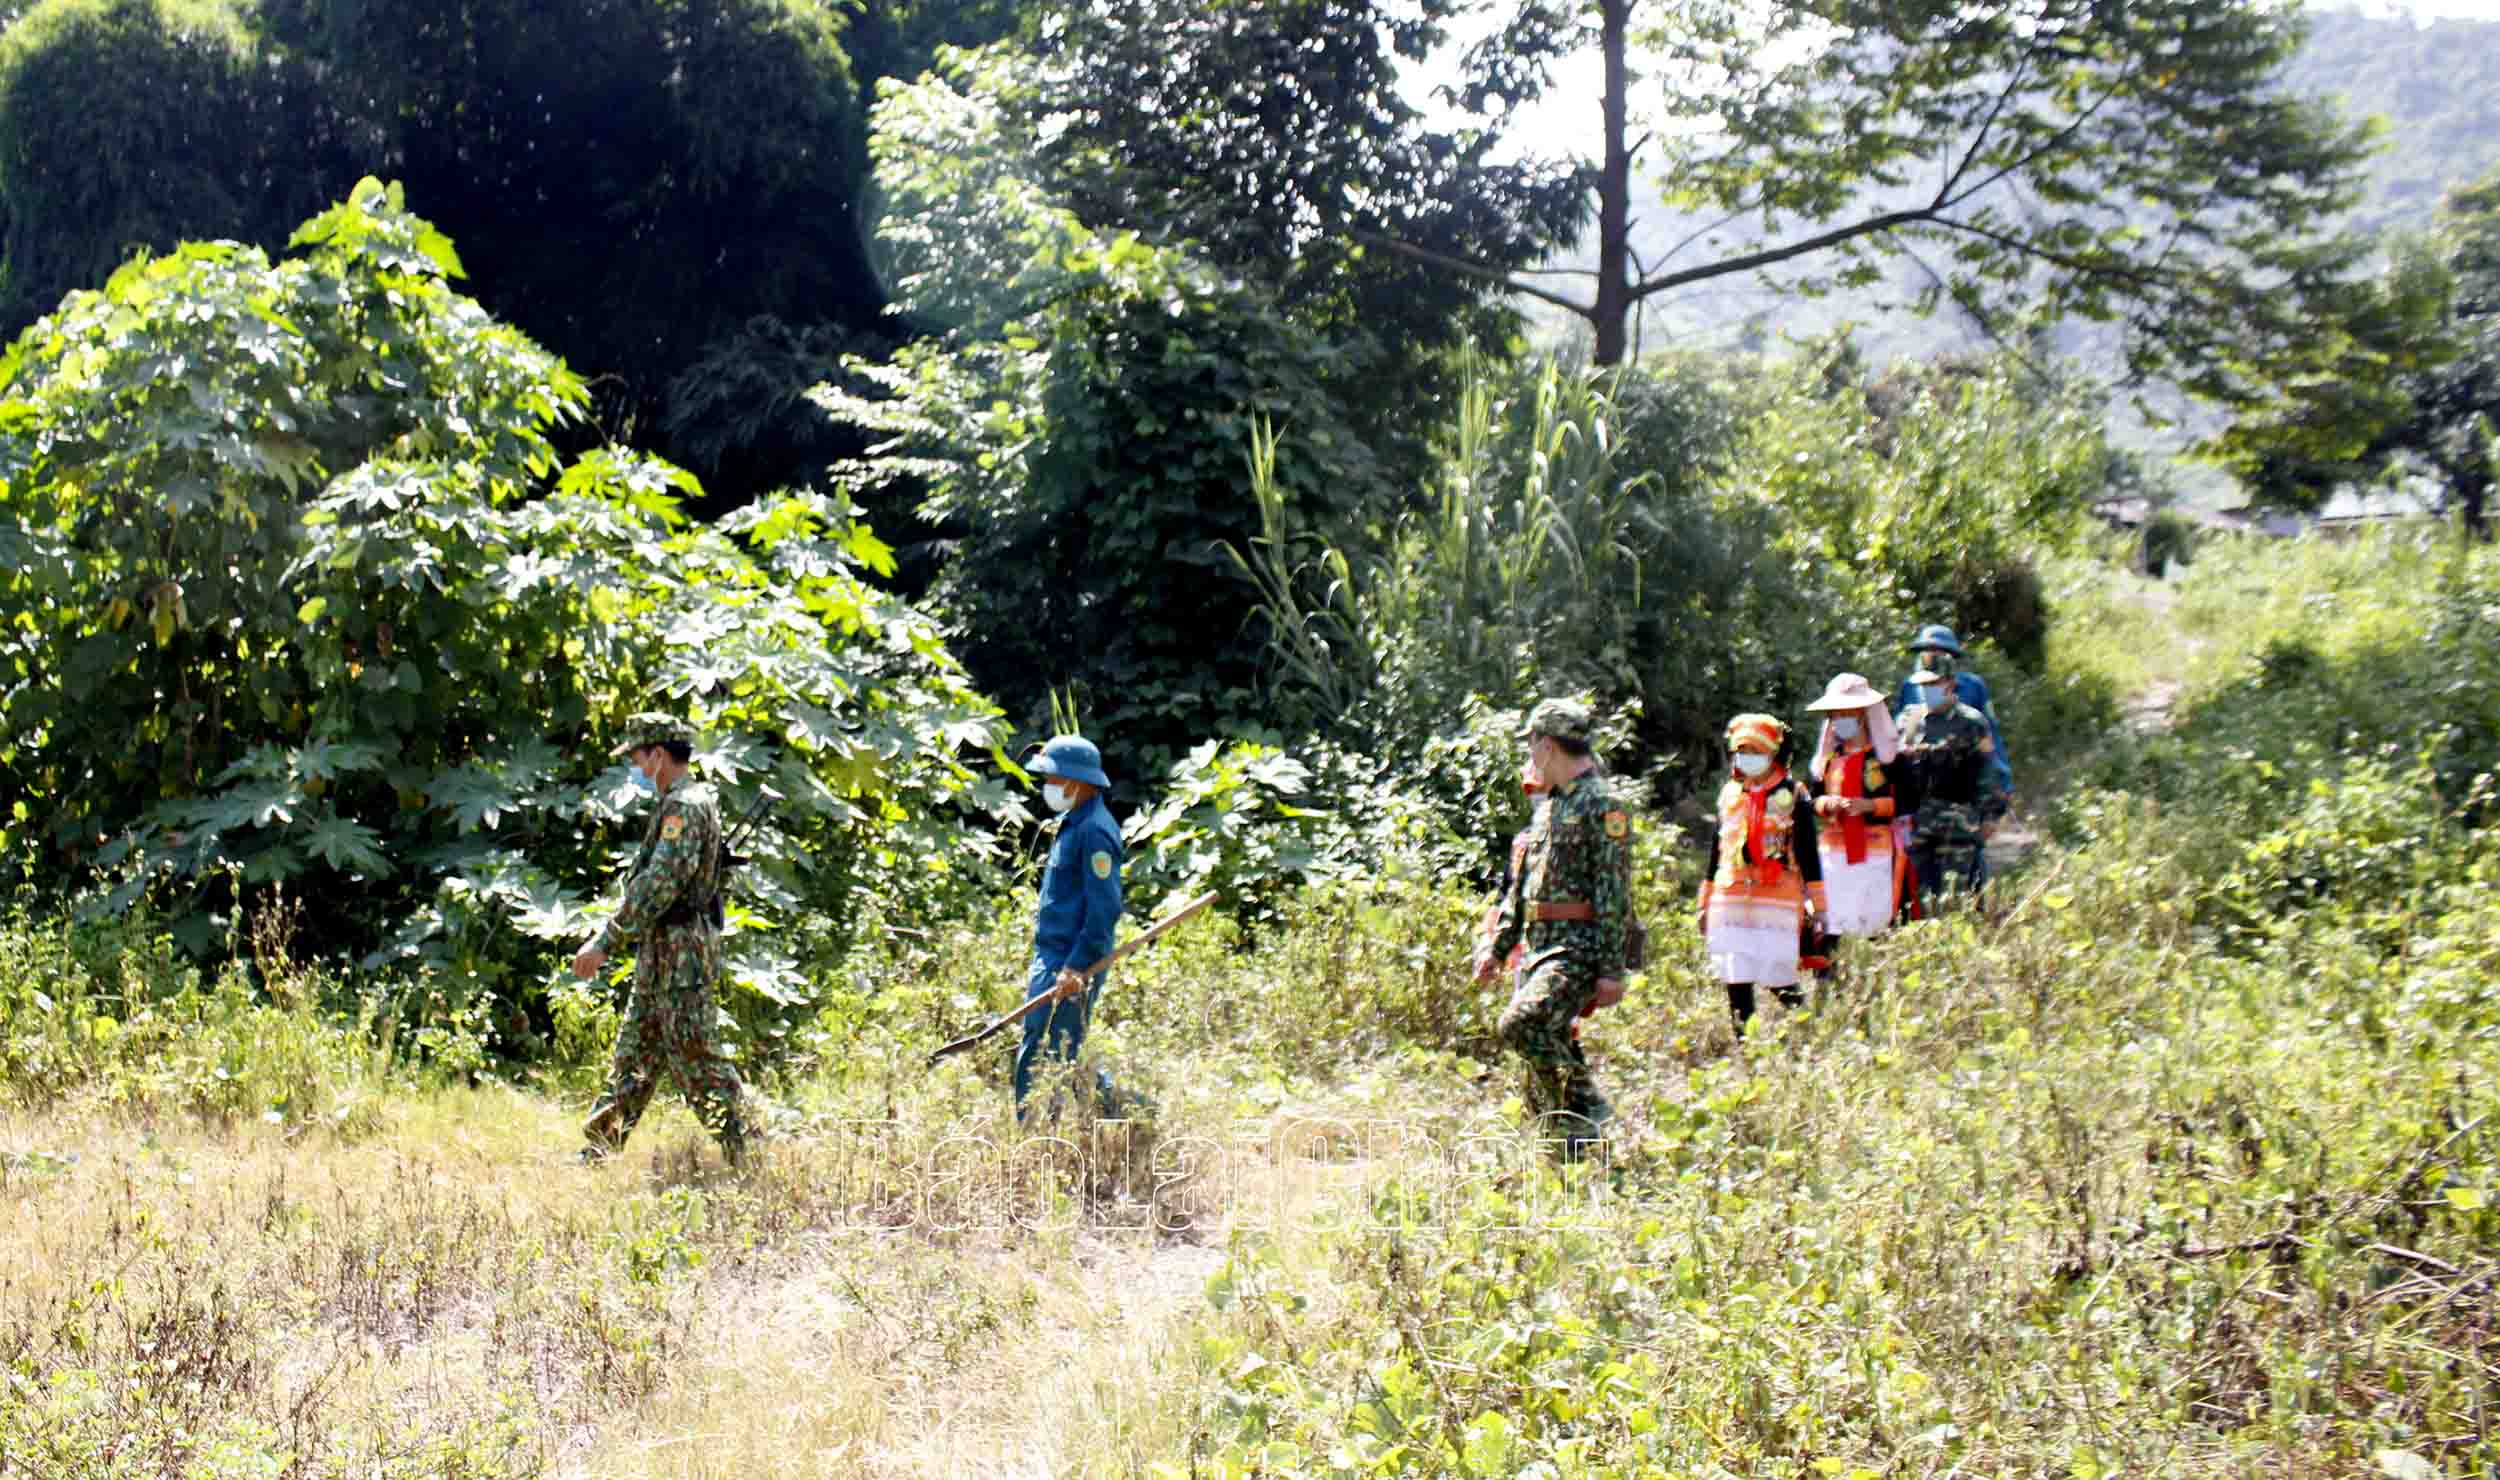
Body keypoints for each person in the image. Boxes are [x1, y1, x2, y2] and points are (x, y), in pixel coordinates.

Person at [572, 715, 749, 1165]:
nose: (634, 764)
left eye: (636, 755)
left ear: (657, 755)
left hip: (683, 954)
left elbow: (658, 885)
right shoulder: (681, 800)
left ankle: (750, 1148)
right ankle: (598, 1152)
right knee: (635, 1052)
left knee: (697, 1057)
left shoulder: (684, 806)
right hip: (663, 950)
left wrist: (604, 942)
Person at [1474, 699, 1631, 1156]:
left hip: (1577, 948)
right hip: (1540, 944)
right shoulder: (1549, 807)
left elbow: (1613, 893)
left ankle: (1588, 1108)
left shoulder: (1604, 804)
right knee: (1552, 1036)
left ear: (1546, 746)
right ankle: (1574, 1136)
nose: (1529, 754)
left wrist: (1611, 970)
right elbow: (1521, 892)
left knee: (1521, 1023)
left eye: (1531, 745)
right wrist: (1498, 947)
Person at [1015, 735, 1125, 1118]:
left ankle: (1032, 1136)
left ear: (1077, 782)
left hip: (1070, 958)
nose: (1048, 788)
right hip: (1053, 953)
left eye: (1053, 780)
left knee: (1050, 1047)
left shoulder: (1094, 831)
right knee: (1056, 1047)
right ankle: (1125, 1112)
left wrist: (1076, 966)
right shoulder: (1072, 822)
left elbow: (1104, 909)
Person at [1699, 714, 1827, 1037]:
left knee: (1777, 973)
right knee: (1735, 974)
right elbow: (1716, 850)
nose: (1747, 758)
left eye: (1755, 751)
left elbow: (1809, 854)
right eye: (1741, 751)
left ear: (1773, 753)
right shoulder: (1730, 794)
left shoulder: (1794, 794)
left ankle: (1809, 1031)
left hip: (1777, 902)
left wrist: (1819, 905)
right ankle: (1745, 1045)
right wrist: (1705, 899)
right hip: (1729, 900)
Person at [1896, 659, 2011, 910]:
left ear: (1950, 683)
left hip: (1960, 818)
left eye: (1933, 683)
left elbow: (1987, 770)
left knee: (1957, 895)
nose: (1927, 690)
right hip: (1919, 821)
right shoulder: (1909, 720)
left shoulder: (1971, 722)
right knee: (1919, 896)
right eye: (1923, 684)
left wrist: (1991, 815)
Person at [1804, 673, 1905, 941]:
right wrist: (1828, 804)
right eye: (1835, 715)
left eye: (1846, 714)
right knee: (1832, 920)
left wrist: (1869, 805)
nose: (1840, 721)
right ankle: (1829, 976)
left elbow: (1907, 801)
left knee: (1874, 918)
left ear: (1864, 715)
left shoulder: (1887, 758)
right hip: (1833, 852)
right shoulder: (1827, 760)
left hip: (1876, 852)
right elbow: (1811, 800)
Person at [1896, 624, 2012, 801]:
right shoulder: (1910, 686)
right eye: (1927, 650)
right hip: (1921, 784)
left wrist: (2003, 781)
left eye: (1939, 650)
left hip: (1961, 781)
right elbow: (1898, 734)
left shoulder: (1973, 686)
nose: (1933, 654)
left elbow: (1990, 735)